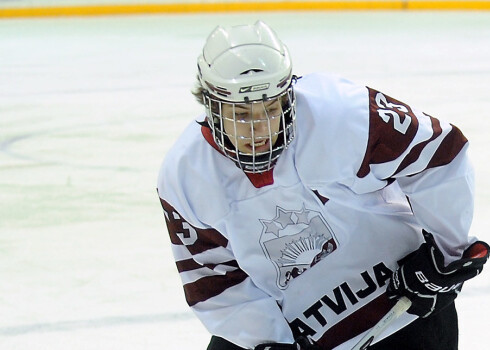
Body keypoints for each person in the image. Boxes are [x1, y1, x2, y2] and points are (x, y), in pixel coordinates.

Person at [157, 21, 489, 350]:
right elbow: (214, 282)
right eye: (241, 114)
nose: (259, 128)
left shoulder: (340, 112)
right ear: (212, 108)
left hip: (403, 302)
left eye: (271, 109)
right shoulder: (187, 176)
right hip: (301, 327)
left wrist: (444, 253)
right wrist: (268, 342)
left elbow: (439, 153)